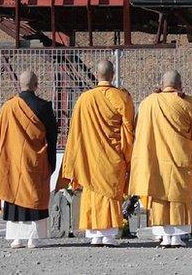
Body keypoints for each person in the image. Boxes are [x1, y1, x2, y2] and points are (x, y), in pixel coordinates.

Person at [56, 60, 135, 247]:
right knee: (109, 195)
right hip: (113, 156)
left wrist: (76, 157)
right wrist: (128, 155)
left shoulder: (84, 99)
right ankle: (108, 235)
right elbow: (129, 130)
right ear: (113, 74)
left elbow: (75, 132)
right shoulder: (122, 97)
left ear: (97, 75)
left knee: (92, 193)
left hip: (90, 157)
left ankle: (94, 234)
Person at [129, 70, 192, 248]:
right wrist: (186, 98)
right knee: (178, 195)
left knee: (160, 195)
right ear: (180, 86)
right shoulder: (188, 103)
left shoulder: (148, 103)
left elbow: (137, 127)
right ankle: (177, 237)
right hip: (179, 158)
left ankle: (164, 236)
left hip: (155, 160)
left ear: (161, 85)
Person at [0, 70, 58, 249]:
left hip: (12, 163)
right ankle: (34, 238)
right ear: (36, 85)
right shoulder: (44, 107)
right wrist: (50, 162)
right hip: (35, 162)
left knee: (14, 196)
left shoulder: (8, 107)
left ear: (19, 84)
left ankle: (16, 238)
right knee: (34, 196)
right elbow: (52, 137)